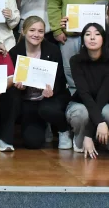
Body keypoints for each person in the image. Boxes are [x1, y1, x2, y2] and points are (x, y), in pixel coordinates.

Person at [9, 16, 69, 149]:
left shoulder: (53, 50)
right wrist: (19, 86)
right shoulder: (14, 53)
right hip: (28, 101)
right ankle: (43, 125)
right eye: (32, 30)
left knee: (47, 109)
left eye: (40, 31)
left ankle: (63, 130)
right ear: (24, 32)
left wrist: (52, 90)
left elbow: (60, 78)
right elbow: (11, 80)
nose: (36, 34)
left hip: (49, 99)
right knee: (33, 142)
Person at [66, 22, 109, 158]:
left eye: (97, 34)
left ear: (103, 39)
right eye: (87, 34)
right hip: (80, 103)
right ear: (83, 40)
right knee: (82, 112)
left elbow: (102, 98)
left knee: (108, 112)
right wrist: (90, 132)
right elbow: (84, 94)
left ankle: (106, 138)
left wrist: (89, 134)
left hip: (104, 104)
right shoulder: (75, 61)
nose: (92, 38)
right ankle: (80, 138)